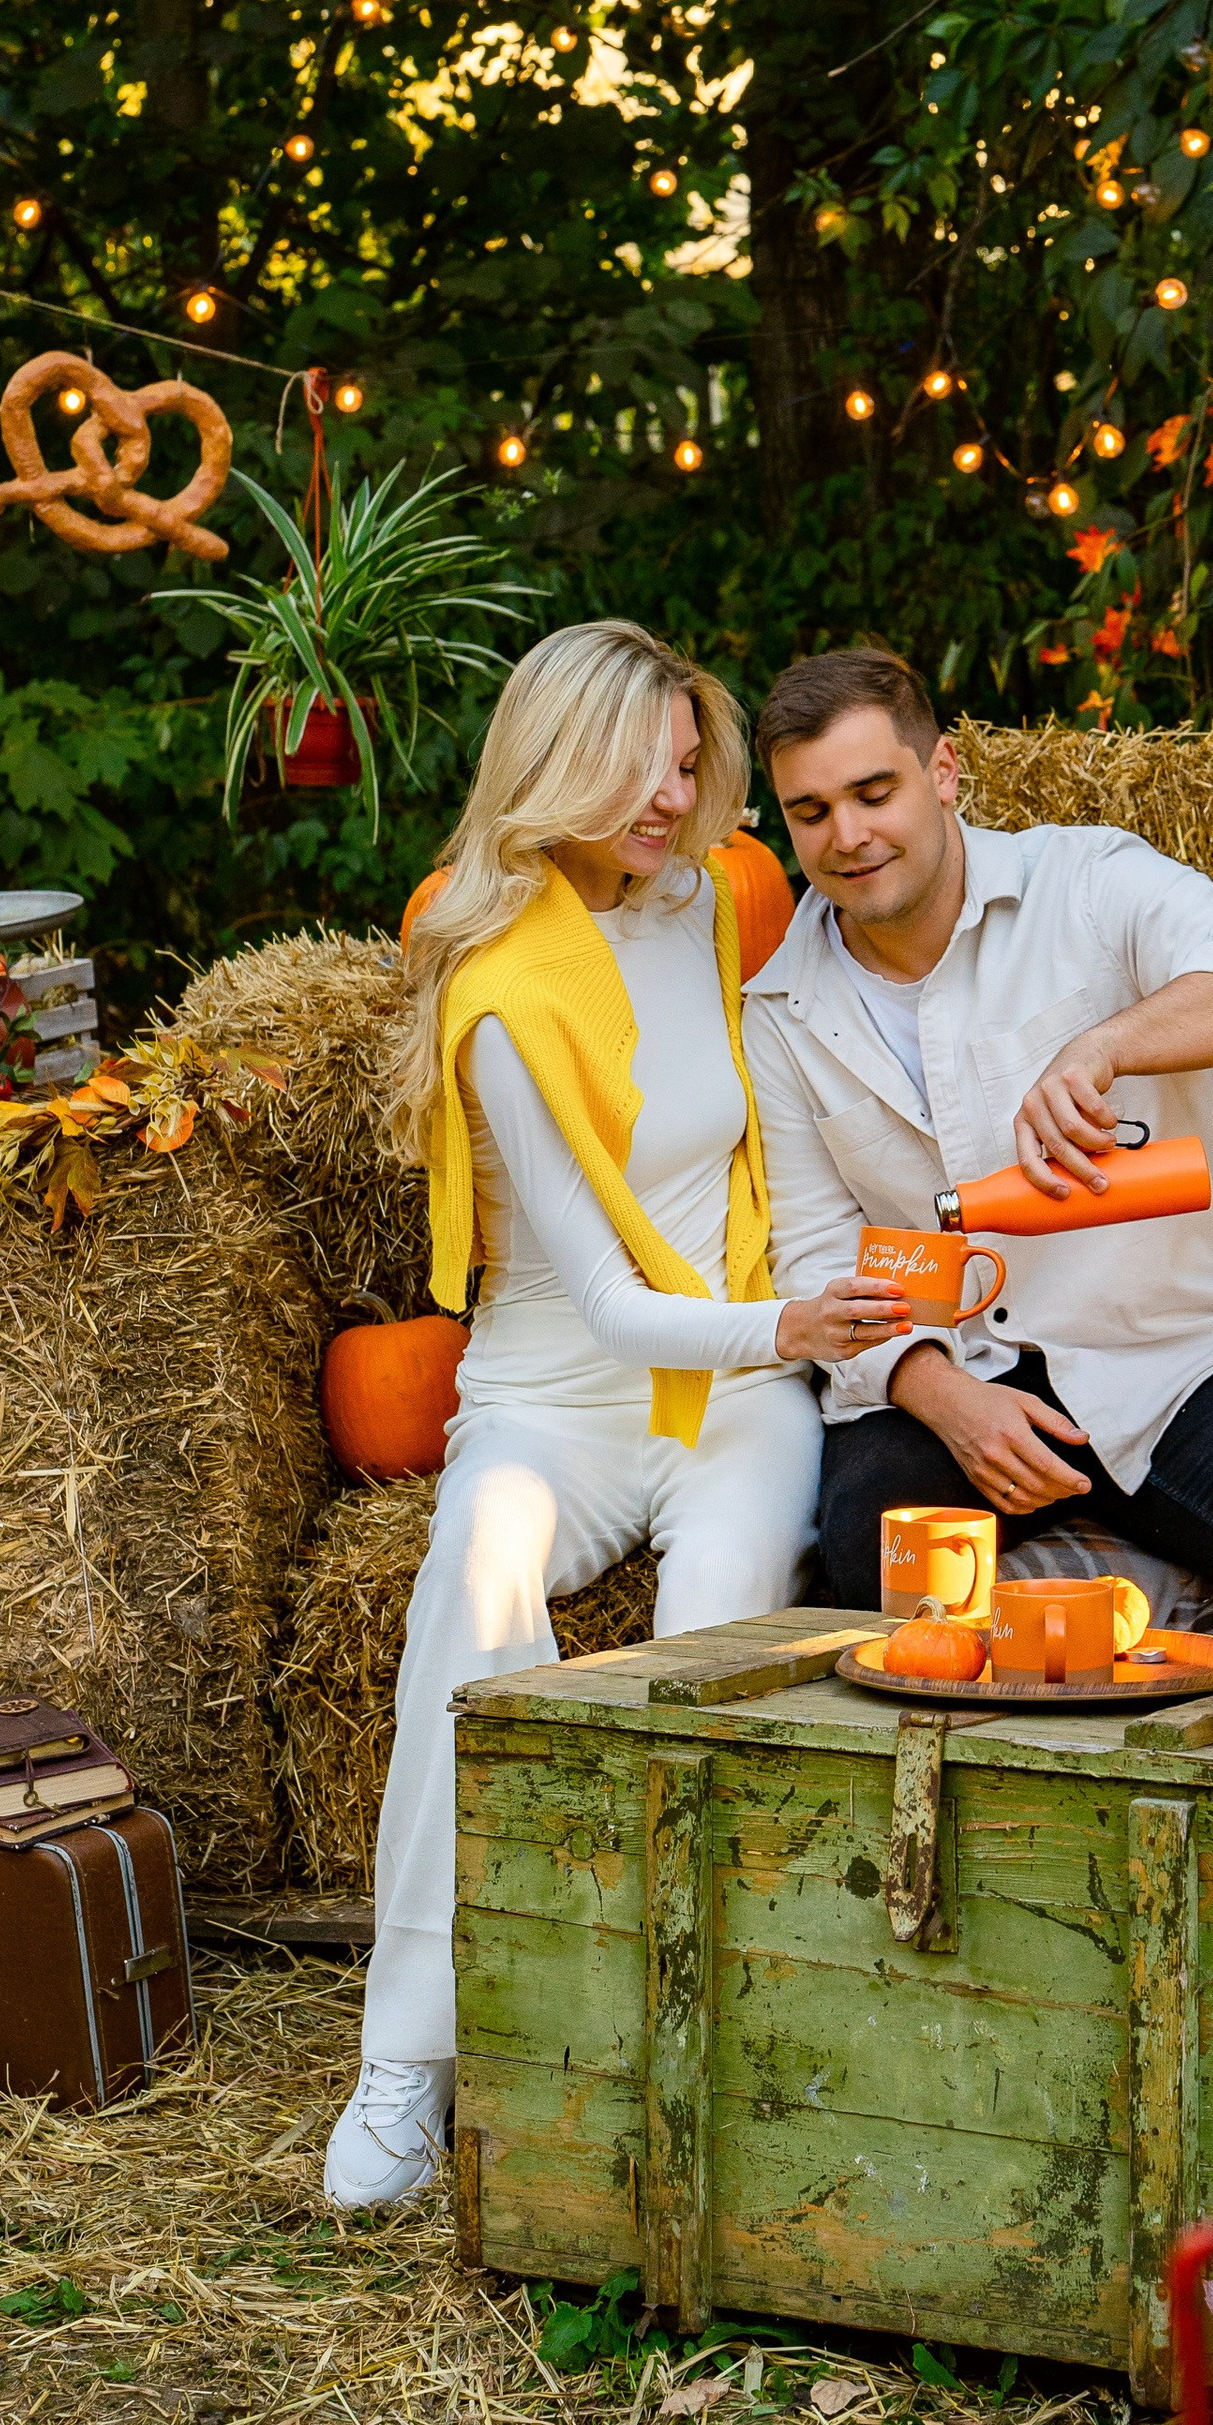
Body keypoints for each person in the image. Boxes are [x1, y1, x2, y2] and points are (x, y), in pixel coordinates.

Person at [328, 619, 908, 2210]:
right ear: (552, 763)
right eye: (636, 767)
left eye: (683, 759)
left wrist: (806, 1324)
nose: (669, 794)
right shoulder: (496, 983)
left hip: (730, 1392)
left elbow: (791, 1115)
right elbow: (598, 1300)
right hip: (555, 1392)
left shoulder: (719, 902)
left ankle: (677, 2030)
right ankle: (413, 2057)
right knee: (474, 1598)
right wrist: (792, 1319)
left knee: (719, 1628)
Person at [741, 644, 1213, 1613]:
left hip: (1159, 1358)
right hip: (947, 1369)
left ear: (943, 771)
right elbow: (815, 1256)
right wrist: (941, 1398)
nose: (848, 835)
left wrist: (1108, 1046)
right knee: (865, 1563)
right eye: (811, 812)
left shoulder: (1083, 884)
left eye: (874, 792)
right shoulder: (780, 1008)